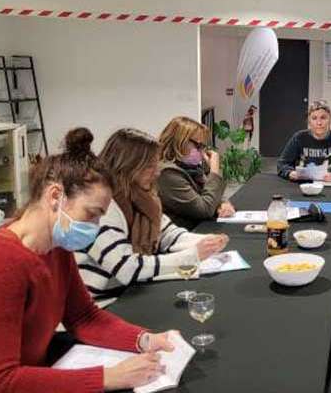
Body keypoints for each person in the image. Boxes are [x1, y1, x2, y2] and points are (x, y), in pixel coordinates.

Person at [0, 128, 178, 392]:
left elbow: (83, 317)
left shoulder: (56, 247)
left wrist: (145, 340)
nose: (95, 225)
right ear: (55, 196)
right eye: (92, 214)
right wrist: (109, 377)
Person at [75, 128, 229, 302]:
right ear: (127, 166)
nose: (156, 172)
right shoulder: (102, 207)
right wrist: (192, 255)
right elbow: (127, 269)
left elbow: (168, 234)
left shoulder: (142, 197)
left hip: (126, 293)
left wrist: (207, 242)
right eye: (150, 167)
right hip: (100, 305)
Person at [157, 116, 235, 230]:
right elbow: (204, 209)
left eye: (203, 146)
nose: (201, 152)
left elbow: (208, 195)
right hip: (181, 237)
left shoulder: (191, 169)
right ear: (179, 141)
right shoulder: (167, 173)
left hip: (198, 230)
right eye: (198, 145)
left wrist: (222, 204)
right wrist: (214, 171)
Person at [277, 100, 331, 183]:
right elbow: (282, 164)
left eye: (323, 118)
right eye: (314, 118)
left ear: (329, 119)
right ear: (309, 121)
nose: (319, 123)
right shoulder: (299, 138)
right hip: (304, 185)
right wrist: (291, 173)